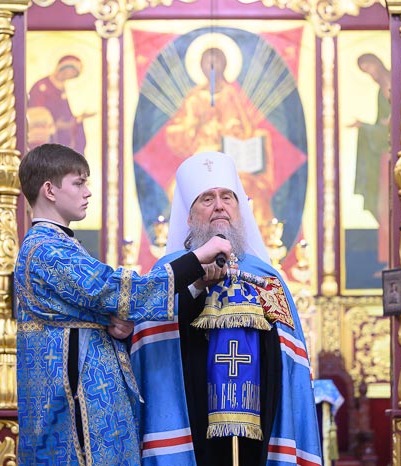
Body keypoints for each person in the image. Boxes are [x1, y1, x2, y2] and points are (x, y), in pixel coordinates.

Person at [14, 143, 231, 465]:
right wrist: (197, 258)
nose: (88, 192)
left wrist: (114, 324)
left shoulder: (63, 245)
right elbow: (113, 290)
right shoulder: (45, 250)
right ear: (49, 190)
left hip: (96, 408)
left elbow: (103, 307)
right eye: (78, 183)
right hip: (73, 416)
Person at [132, 151, 321, 466]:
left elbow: (288, 360)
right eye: (206, 199)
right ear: (189, 217)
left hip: (260, 421)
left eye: (227, 197)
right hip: (189, 417)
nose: (219, 205)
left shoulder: (267, 277)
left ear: (239, 209)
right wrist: (195, 287)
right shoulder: (169, 273)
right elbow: (154, 347)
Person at [165, 47, 275, 226]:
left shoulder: (231, 95)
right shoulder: (194, 99)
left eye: (216, 62)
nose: (212, 67)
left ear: (224, 65)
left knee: (249, 188)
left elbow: (247, 129)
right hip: (202, 154)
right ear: (201, 67)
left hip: (230, 157)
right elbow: (179, 133)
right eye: (208, 63)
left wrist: (234, 131)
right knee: (178, 189)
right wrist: (196, 125)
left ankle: (245, 232)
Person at [349, 53, 391, 268]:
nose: (371, 74)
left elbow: (391, 124)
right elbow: (381, 126)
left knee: (389, 206)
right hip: (383, 155)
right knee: (381, 206)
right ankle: (388, 260)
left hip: (394, 157)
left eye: (370, 68)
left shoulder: (397, 82)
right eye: (366, 72)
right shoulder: (379, 92)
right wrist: (365, 127)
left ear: (378, 62)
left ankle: (395, 260)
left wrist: (370, 127)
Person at [27, 55, 94, 151]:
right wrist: (55, 124)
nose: (69, 75)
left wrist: (79, 119)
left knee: (78, 133)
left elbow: (66, 115)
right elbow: (35, 113)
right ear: (62, 67)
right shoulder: (42, 85)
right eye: (70, 72)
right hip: (45, 132)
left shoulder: (62, 90)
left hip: (60, 133)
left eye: (74, 75)